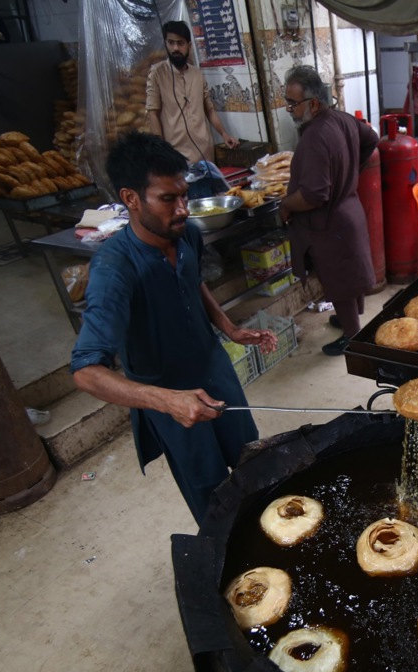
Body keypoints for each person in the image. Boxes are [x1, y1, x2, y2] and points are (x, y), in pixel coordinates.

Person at [71, 132, 277, 525]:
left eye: (184, 195)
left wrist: (229, 328)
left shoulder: (187, 235)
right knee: (209, 488)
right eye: (168, 199)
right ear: (131, 198)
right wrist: (167, 401)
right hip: (167, 390)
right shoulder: (115, 269)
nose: (183, 209)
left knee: (252, 456)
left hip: (213, 367)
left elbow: (193, 281)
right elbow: (85, 371)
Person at [278, 65, 378, 356]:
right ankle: (349, 319)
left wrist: (286, 204)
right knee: (350, 274)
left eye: (293, 103)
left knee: (339, 281)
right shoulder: (342, 119)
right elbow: (370, 138)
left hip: (331, 222)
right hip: (349, 209)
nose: (290, 110)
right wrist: (348, 173)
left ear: (313, 103)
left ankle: (352, 336)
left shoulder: (314, 138)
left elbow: (313, 195)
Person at [146, 20, 239, 165]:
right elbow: (153, 113)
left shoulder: (197, 74)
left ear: (189, 45)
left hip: (205, 153)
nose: (175, 48)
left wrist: (224, 134)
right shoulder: (157, 73)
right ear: (166, 44)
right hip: (176, 155)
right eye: (171, 42)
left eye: (180, 43)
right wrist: (160, 149)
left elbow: (209, 109)